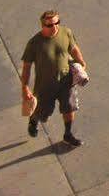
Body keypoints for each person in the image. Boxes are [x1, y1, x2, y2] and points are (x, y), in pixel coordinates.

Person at [19, 9, 87, 148]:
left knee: (69, 108)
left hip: (66, 81)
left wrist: (81, 62)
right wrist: (25, 87)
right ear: (42, 26)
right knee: (43, 113)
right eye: (50, 25)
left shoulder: (66, 32)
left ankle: (68, 135)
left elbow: (73, 48)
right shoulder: (34, 43)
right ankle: (34, 119)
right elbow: (26, 67)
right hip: (45, 85)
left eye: (57, 23)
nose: (54, 27)